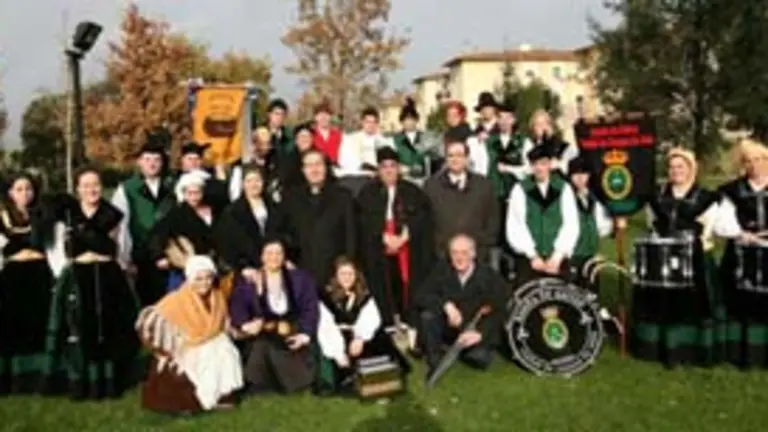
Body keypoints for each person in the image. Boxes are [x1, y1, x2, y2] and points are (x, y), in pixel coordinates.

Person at [41, 167, 140, 399]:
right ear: (77, 189)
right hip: (78, 275)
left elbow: (123, 246)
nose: (91, 190)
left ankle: (110, 381)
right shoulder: (67, 215)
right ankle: (82, 382)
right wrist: (63, 276)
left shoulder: (113, 215)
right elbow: (58, 250)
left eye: (95, 185)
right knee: (78, 327)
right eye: (86, 186)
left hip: (108, 275)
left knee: (110, 327)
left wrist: (122, 269)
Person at [632, 147, 722, 367]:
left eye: (681, 166)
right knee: (662, 305)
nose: (676, 171)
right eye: (672, 167)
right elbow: (651, 223)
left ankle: (692, 352)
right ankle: (660, 350)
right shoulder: (657, 196)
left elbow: (709, 228)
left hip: (695, 257)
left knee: (693, 305)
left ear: (691, 169)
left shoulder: (705, 197)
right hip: (663, 258)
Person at [137, 255, 243, 413]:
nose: (204, 283)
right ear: (190, 279)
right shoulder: (176, 299)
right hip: (186, 345)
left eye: (208, 278)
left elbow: (222, 323)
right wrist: (169, 345)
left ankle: (222, 395)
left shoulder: (218, 297)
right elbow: (150, 322)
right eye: (199, 279)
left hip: (212, 340)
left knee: (225, 350)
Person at [357, 148, 435, 330]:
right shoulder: (367, 193)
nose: (389, 170)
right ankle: (387, 322)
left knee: (407, 284)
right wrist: (382, 236)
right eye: (384, 166)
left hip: (407, 246)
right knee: (382, 284)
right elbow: (362, 220)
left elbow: (424, 217)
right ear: (378, 170)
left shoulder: (413, 191)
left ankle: (409, 321)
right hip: (379, 247)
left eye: (392, 166)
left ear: (399, 168)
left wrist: (404, 236)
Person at [229, 239, 319, 394]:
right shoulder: (249, 281)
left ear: (284, 256)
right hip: (264, 332)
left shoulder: (300, 279)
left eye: (278, 253)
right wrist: (245, 324)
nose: (274, 257)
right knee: (262, 347)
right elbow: (237, 305)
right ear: (262, 257)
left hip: (292, 330)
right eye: (269, 253)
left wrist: (305, 334)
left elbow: (310, 307)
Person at [316, 258, 410, 395]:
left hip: (358, 334)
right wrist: (338, 353)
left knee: (378, 336)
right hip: (336, 337)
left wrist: (360, 338)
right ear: (336, 276)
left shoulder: (364, 294)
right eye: (343, 274)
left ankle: (383, 372)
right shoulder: (326, 296)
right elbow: (326, 326)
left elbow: (370, 319)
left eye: (350, 274)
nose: (347, 278)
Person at [414, 234, 505, 373]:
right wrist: (446, 306)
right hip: (449, 327)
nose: (459, 258)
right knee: (428, 315)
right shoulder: (442, 269)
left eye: (464, 253)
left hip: (474, 329)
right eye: (454, 253)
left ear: (473, 253)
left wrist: (480, 333)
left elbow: (501, 309)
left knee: (479, 359)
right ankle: (435, 357)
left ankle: (465, 350)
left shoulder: (488, 276)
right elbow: (421, 295)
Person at [715, 139, 768, 368]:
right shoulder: (731, 190)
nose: (754, 165)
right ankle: (741, 354)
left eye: (759, 159)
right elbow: (723, 222)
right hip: (740, 252)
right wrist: (744, 235)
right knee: (740, 302)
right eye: (748, 161)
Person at [0, 173, 54, 394]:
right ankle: (11, 379)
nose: (25, 193)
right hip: (12, 276)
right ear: (10, 193)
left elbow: (53, 249)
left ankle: (39, 379)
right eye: (19, 189)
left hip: (39, 275)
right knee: (12, 328)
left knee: (39, 325)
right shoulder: (2, 218)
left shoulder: (42, 217)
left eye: (28, 189)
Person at [278, 149, 356, 288]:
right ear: (303, 170)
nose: (314, 169)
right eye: (309, 165)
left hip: (335, 271)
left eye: (318, 164)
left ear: (326, 168)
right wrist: (286, 259)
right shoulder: (291, 198)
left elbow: (351, 233)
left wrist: (348, 264)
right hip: (300, 269)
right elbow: (281, 231)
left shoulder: (343, 196)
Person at [112, 140, 176, 307]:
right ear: (139, 162)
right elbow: (121, 225)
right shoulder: (127, 189)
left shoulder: (173, 186)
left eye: (156, 160)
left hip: (169, 256)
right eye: (147, 159)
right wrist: (124, 258)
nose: (152, 164)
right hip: (140, 256)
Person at [505, 144, 580, 286]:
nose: (539, 168)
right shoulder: (520, 189)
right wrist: (532, 255)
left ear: (550, 165)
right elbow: (516, 225)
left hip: (557, 259)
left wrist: (557, 255)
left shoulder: (563, 188)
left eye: (543, 164)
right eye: (535, 164)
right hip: (530, 260)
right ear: (531, 166)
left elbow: (571, 223)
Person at [424, 134, 498, 263]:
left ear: (467, 158)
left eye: (459, 155)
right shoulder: (431, 186)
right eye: (451, 156)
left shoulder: (483, 185)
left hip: (476, 256)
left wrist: (483, 246)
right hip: (443, 257)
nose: (455, 159)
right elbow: (426, 221)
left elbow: (493, 219)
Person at [149, 170, 224, 292]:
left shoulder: (214, 210)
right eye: (190, 193)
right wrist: (159, 256)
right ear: (184, 194)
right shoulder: (176, 214)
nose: (194, 197)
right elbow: (158, 233)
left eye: (197, 193)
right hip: (185, 265)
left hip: (210, 265)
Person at [215, 165, 278, 281]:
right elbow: (226, 244)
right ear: (243, 184)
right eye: (249, 181)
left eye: (257, 180)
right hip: (247, 269)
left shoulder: (274, 207)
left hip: (274, 264)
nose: (254, 185)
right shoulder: (232, 212)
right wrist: (242, 267)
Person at [567, 155, 613, 289]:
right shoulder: (567, 198)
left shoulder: (596, 199)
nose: (580, 178)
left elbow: (603, 226)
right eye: (576, 173)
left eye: (584, 173)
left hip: (592, 253)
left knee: (593, 290)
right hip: (573, 254)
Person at [337, 107, 395, 178]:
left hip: (378, 177)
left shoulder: (384, 141)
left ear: (377, 124)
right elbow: (343, 161)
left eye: (374, 122)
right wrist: (362, 166)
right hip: (357, 176)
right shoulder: (350, 139)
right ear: (362, 122)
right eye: (368, 122)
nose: (371, 125)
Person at [523, 109, 578, 176]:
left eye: (544, 123)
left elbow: (574, 163)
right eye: (538, 124)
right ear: (533, 128)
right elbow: (526, 169)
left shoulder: (562, 146)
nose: (542, 126)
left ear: (550, 126)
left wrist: (559, 164)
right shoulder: (529, 146)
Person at [442, 101, 488, 176]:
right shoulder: (447, 134)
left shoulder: (469, 136)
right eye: (449, 115)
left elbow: (476, 162)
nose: (451, 118)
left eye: (454, 115)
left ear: (461, 116)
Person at [392, 97, 428, 177]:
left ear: (416, 120)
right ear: (401, 121)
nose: (409, 122)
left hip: (422, 178)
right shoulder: (396, 140)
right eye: (406, 120)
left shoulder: (425, 138)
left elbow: (431, 160)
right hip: (403, 179)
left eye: (411, 119)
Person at [278, 122, 316, 190]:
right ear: (296, 140)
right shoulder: (287, 160)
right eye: (302, 137)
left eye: (308, 136)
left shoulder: (320, 157)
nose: (305, 139)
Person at [312, 101, 344, 166]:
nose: (323, 118)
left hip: (336, 169)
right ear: (315, 117)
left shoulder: (338, 135)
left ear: (330, 117)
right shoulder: (311, 135)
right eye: (320, 115)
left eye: (326, 115)